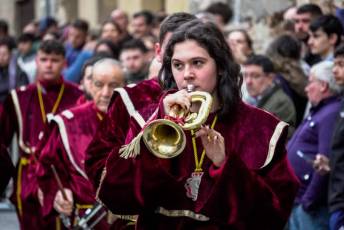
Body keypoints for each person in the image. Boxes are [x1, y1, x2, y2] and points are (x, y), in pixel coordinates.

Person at [92, 20, 299, 229]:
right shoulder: (149, 117)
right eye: (178, 65)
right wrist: (156, 127)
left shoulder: (260, 127)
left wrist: (225, 165)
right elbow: (116, 198)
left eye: (198, 63)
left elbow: (273, 216)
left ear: (220, 66)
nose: (187, 74)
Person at [85, 12, 197, 192]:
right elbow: (97, 164)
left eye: (191, 53)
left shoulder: (215, 95)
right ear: (158, 52)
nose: (180, 59)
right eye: (172, 50)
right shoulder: (131, 97)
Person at [0, 39, 82, 229]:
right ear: (36, 61)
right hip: (28, 174)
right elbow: (2, 141)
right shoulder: (18, 96)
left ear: (64, 63)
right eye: (44, 59)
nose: (49, 65)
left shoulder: (77, 94)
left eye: (54, 60)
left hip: (63, 175)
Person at [37, 58, 125, 229]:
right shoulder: (68, 122)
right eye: (99, 84)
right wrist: (58, 191)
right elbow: (47, 167)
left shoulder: (136, 120)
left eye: (113, 85)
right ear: (89, 85)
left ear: (125, 86)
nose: (106, 93)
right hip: (84, 218)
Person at [287, 61, 342, 230]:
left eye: (310, 82)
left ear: (323, 86)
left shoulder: (331, 113)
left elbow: (325, 160)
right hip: (298, 199)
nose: (306, 88)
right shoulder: (320, 110)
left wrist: (308, 201)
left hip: (311, 207)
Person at [313, 45, 344, 230]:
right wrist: (331, 164)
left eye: (340, 64)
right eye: (334, 64)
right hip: (337, 199)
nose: (334, 70)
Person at [243, 54, 296, 137]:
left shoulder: (281, 103)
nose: (248, 81)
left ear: (270, 78)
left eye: (255, 76)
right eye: (246, 75)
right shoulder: (251, 100)